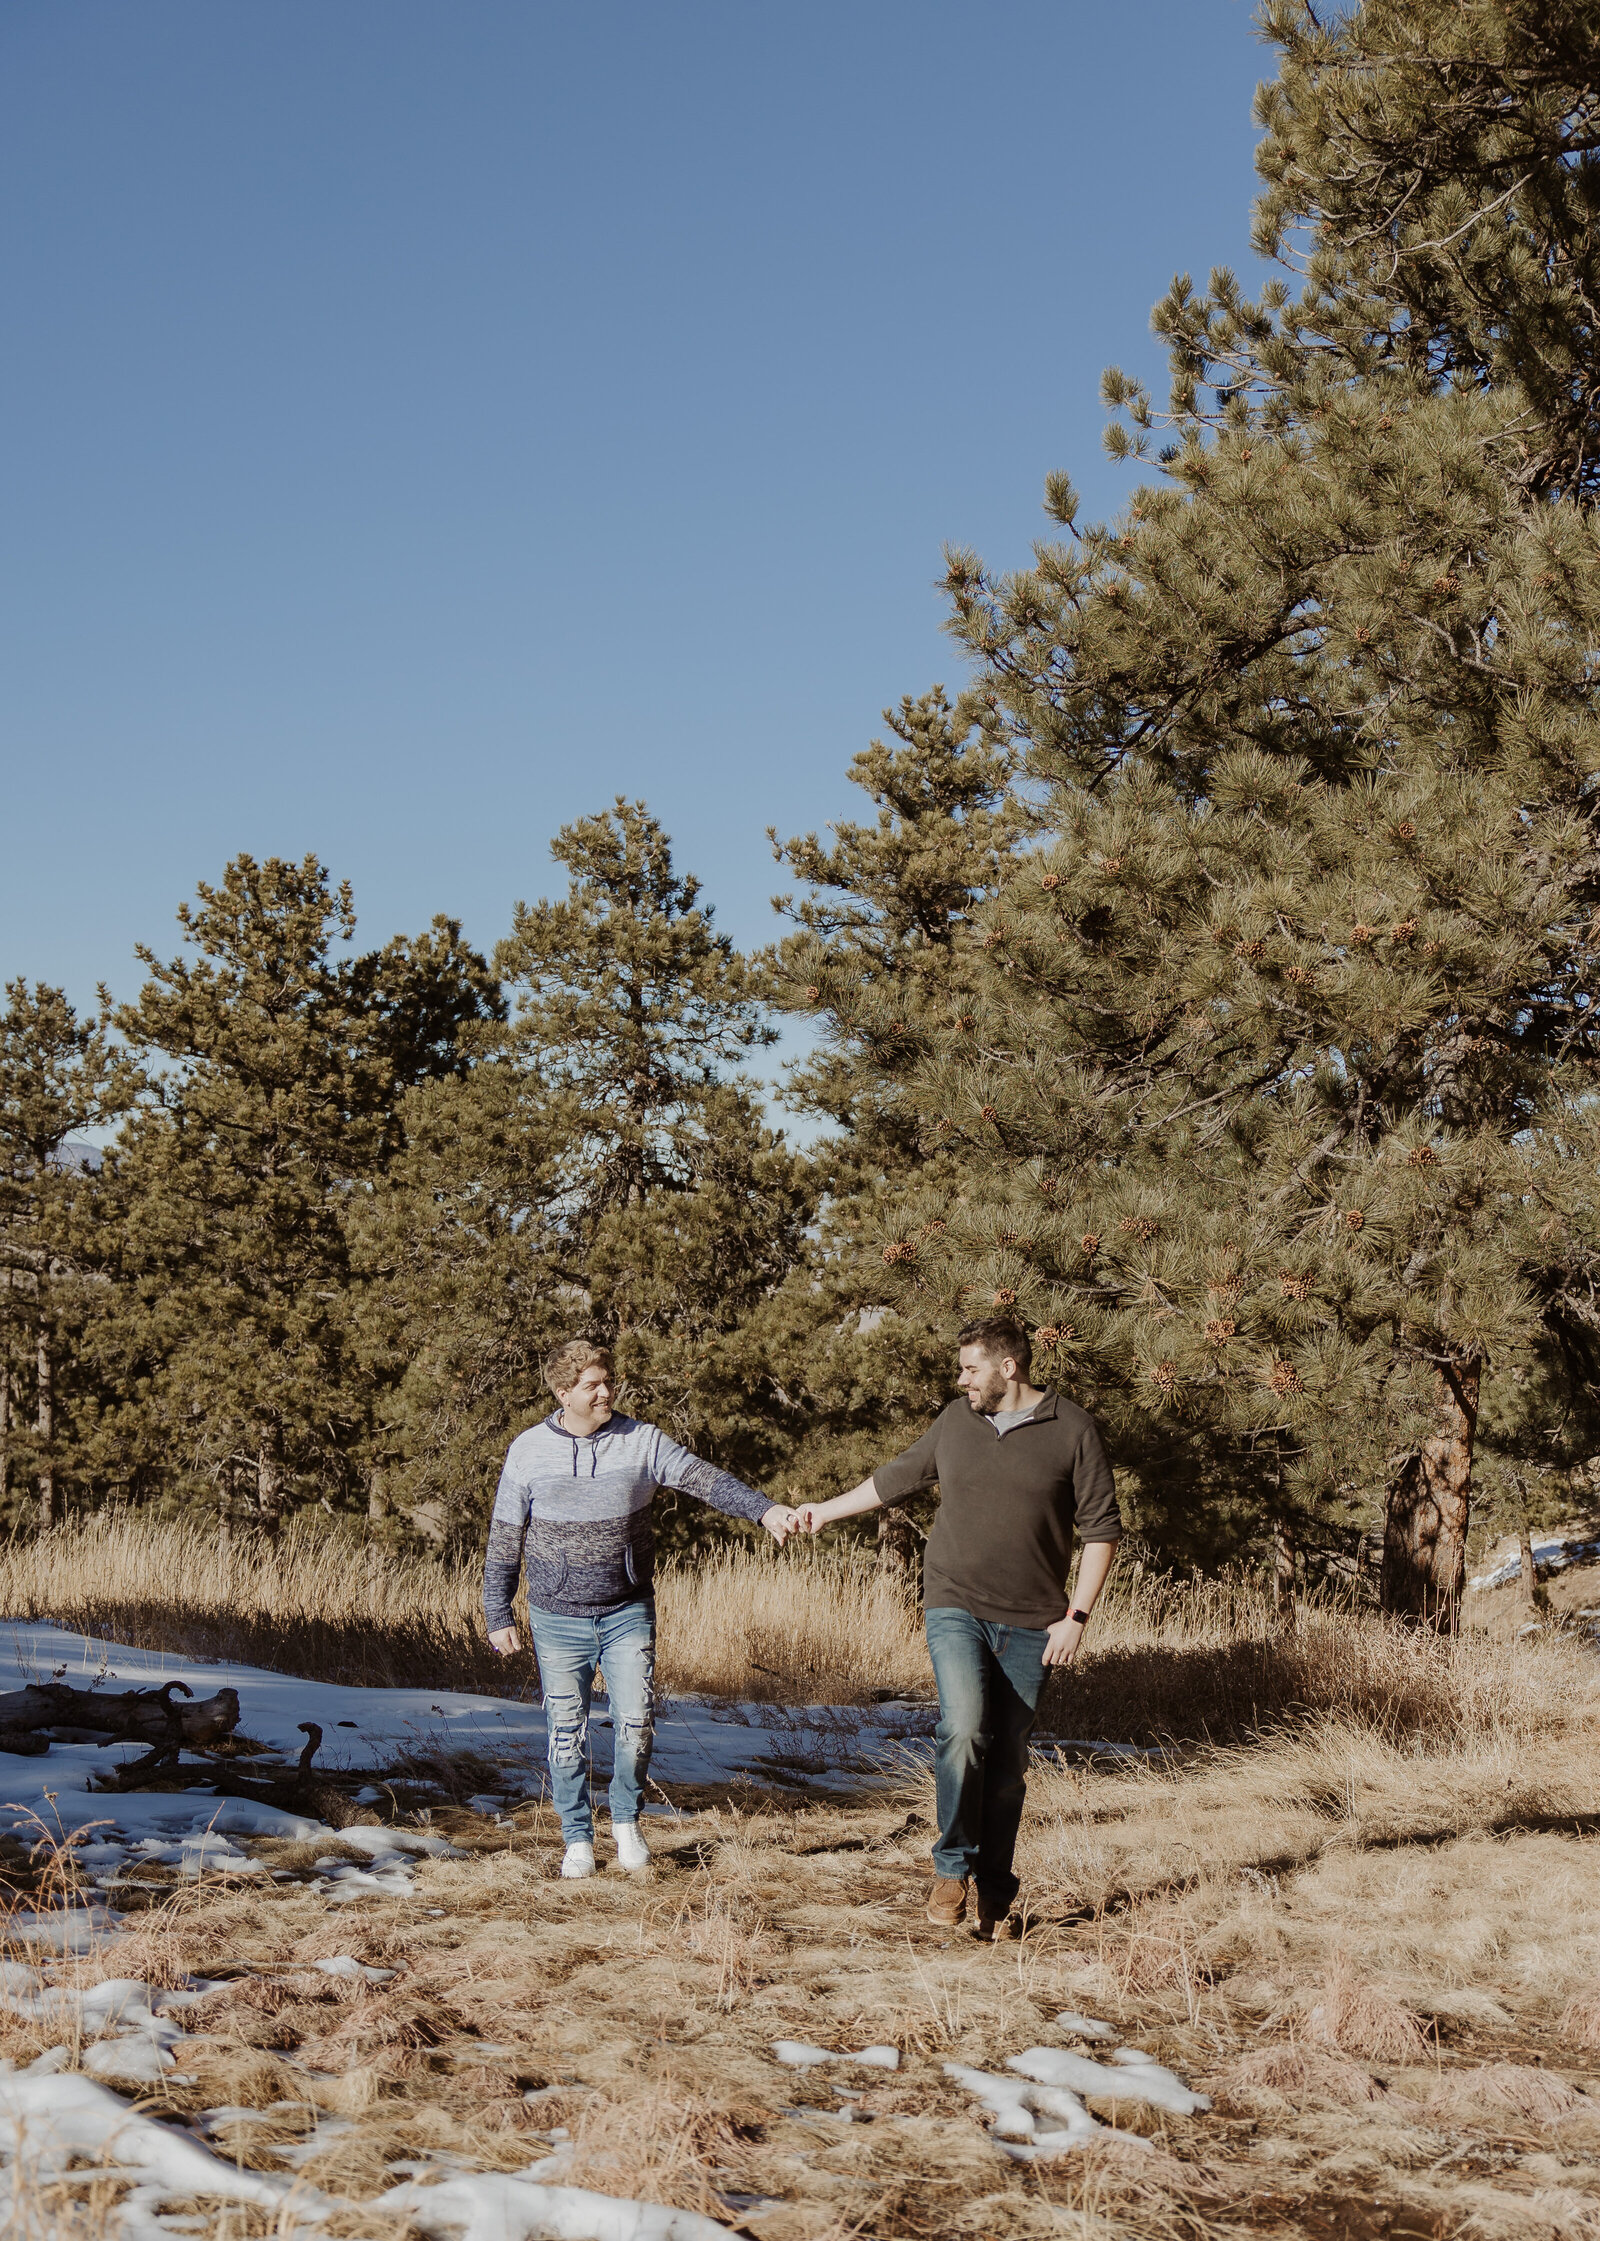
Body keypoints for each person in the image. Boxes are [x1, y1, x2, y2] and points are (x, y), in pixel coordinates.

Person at [799, 1317, 1120, 1940]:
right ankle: (951, 1868)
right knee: (964, 1727)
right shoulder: (956, 1420)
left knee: (1005, 1768)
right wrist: (823, 1512)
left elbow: (1101, 1531)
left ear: (1010, 1367)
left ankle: (996, 1894)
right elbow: (895, 1479)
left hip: (1034, 1623)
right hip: (955, 1604)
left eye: (971, 1368)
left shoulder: (1073, 1429)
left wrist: (1076, 1618)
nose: (961, 1379)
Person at [485, 1337, 799, 1878]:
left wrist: (765, 1511)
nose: (607, 1391)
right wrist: (497, 1612)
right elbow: (505, 1535)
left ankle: (627, 1822)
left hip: (626, 1609)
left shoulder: (641, 1442)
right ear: (564, 1393)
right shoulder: (528, 1450)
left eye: (608, 1380)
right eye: (592, 1385)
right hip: (557, 1618)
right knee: (567, 1732)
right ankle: (577, 1838)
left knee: (636, 1723)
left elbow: (705, 1479)